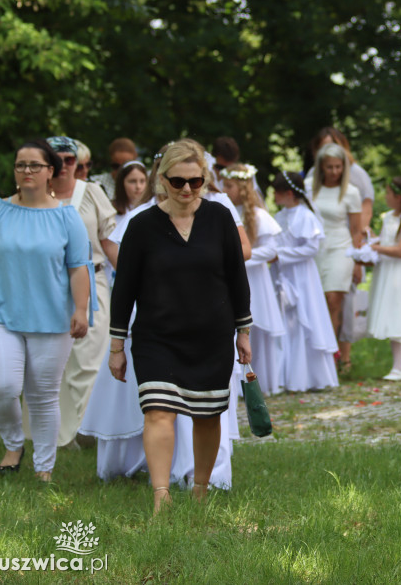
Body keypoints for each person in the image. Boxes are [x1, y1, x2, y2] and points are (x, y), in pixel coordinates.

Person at [107, 139, 252, 512]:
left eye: (195, 181)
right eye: (177, 181)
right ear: (162, 180)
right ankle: (161, 496)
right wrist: (117, 346)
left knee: (207, 414)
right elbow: (124, 289)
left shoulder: (220, 218)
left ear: (205, 179)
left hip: (212, 336)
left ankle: (201, 488)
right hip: (157, 337)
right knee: (158, 411)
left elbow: (237, 278)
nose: (187, 189)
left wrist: (244, 332)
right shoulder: (141, 226)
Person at [0, 139, 93, 483]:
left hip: (52, 319)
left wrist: (82, 310)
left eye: (34, 165)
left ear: (50, 172)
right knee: (0, 385)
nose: (27, 171)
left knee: (43, 395)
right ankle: (13, 443)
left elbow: (78, 268)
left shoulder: (66, 217)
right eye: (21, 165)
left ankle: (44, 468)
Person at [46, 136, 118, 450]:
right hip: (46, 286)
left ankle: (86, 431)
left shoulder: (92, 193)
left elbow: (109, 243)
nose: (64, 166)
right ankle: (56, 434)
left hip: (93, 281)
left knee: (88, 359)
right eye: (56, 159)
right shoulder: (32, 195)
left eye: (70, 160)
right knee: (50, 362)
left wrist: (139, 280)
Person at [221, 163, 286, 395]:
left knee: (258, 327)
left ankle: (265, 381)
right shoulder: (225, 212)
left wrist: (240, 258)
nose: (224, 189)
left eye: (229, 185)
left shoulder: (258, 215)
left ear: (243, 187)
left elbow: (271, 250)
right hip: (232, 278)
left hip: (255, 278)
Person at [271, 171, 339, 392]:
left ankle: (310, 376)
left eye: (277, 192)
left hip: (301, 275)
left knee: (304, 317)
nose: (273, 196)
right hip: (283, 274)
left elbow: (311, 248)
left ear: (289, 193)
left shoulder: (305, 216)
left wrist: (280, 254)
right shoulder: (279, 217)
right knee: (285, 318)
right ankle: (286, 376)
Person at [306, 143, 362, 373]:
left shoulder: (351, 192)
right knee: (315, 301)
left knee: (333, 300)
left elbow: (357, 230)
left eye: (339, 167)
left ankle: (332, 357)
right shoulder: (309, 188)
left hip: (341, 247)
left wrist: (357, 261)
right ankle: (316, 356)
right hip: (315, 248)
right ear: (321, 167)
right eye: (329, 167)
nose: (334, 171)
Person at [368, 176, 401, 380]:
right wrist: (372, 240)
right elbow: (386, 240)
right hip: (387, 270)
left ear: (399, 197)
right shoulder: (389, 217)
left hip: (400, 271)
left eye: (389, 194)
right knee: (390, 313)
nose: (386, 197)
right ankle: (400, 364)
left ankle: (399, 366)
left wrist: (374, 247)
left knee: (398, 314)